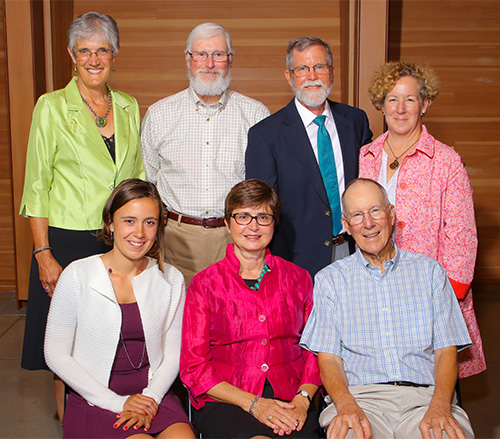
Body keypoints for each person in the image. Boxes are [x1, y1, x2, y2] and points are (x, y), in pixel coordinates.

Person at [19, 11, 145, 420]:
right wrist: (43, 252)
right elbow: (36, 184)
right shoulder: (51, 107)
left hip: (119, 240)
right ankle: (73, 426)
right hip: (67, 241)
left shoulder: (128, 106)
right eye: (84, 51)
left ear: (116, 55)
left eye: (102, 50)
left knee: (111, 334)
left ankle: (110, 417)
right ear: (71, 56)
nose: (94, 59)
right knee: (66, 343)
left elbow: (138, 176)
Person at [301, 178, 475, 439]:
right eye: (357, 216)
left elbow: (446, 351)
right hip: (361, 400)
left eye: (375, 211)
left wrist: (440, 405)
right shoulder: (330, 281)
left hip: (425, 399)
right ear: (346, 226)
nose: (368, 223)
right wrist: (346, 404)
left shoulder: (430, 272)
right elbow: (329, 359)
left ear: (391, 214)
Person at [358, 61, 485, 378]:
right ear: (381, 104)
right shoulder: (367, 155)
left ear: (425, 104)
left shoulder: (445, 161)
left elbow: (462, 239)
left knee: (435, 391)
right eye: (392, 99)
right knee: (384, 382)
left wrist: (443, 300)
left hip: (429, 296)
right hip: (375, 290)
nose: (400, 109)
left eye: (410, 99)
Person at [44, 179, 194, 439]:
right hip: (96, 396)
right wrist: (118, 402)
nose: (139, 232)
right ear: (110, 223)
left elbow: (173, 355)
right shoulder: (77, 275)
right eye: (129, 221)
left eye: (149, 222)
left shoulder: (171, 278)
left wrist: (150, 398)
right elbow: (55, 354)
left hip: (153, 393)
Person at [180, 179, 322, 439]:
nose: (253, 226)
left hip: (291, 399)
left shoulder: (299, 278)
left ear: (274, 223)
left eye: (263, 217)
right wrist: (254, 404)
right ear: (227, 222)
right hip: (228, 400)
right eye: (243, 216)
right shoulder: (205, 284)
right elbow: (194, 368)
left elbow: (316, 351)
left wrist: (303, 399)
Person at [141, 22, 270, 285]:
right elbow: (149, 180)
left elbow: (263, 187)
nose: (209, 63)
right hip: (176, 240)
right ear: (188, 60)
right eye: (200, 54)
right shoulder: (159, 114)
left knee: (235, 321)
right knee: (178, 322)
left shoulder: (256, 115)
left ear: (230, 60)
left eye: (219, 55)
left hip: (235, 239)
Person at [246, 36, 372, 279]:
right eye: (302, 68)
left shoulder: (355, 121)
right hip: (296, 262)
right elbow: (260, 210)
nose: (312, 76)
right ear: (288, 75)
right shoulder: (265, 135)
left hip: (355, 250)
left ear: (332, 72)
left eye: (320, 67)